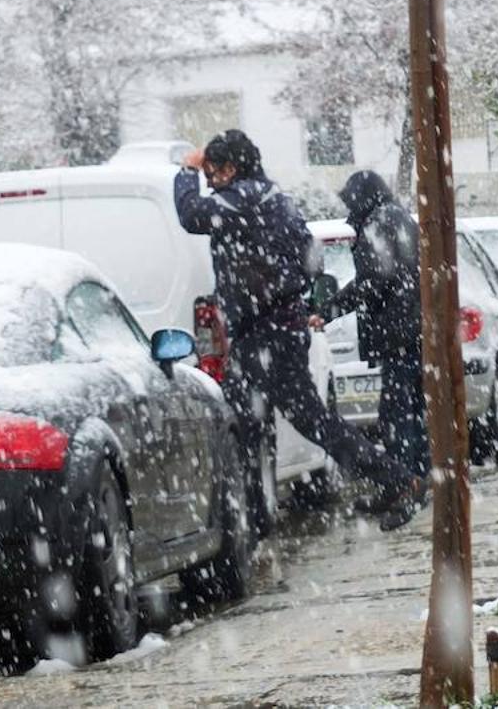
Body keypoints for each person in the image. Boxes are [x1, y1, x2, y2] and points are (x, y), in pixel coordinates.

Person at [174, 130, 428, 531]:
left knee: (304, 420)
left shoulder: (245, 198)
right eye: (203, 176)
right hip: (270, 330)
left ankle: (397, 478)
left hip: (265, 333)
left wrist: (185, 171)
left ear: (231, 168)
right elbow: (312, 259)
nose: (208, 183)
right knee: (253, 422)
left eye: (211, 174)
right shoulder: (272, 198)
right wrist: (288, 292)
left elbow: (191, 216)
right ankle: (258, 518)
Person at [313, 170, 429, 493]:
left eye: (350, 200)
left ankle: (404, 485)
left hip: (398, 335)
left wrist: (329, 311)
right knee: (415, 412)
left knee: (397, 415)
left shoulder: (377, 224)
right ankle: (420, 478)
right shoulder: (399, 218)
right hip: (413, 332)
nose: (349, 207)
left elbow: (373, 282)